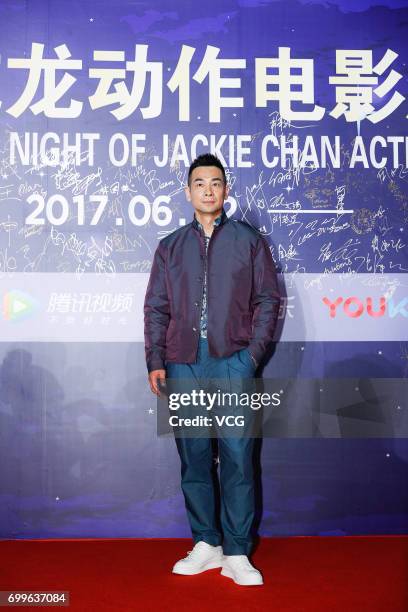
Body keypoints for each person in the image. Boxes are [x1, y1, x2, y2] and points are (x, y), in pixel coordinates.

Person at [144, 153, 280, 586]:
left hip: (233, 362)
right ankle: (207, 543)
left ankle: (238, 551)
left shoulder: (249, 241)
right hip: (183, 363)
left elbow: (268, 301)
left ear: (226, 190)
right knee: (195, 457)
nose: (207, 189)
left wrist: (251, 355)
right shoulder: (170, 246)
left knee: (239, 459)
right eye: (199, 183)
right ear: (188, 192)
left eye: (215, 182)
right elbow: (156, 309)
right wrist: (156, 361)